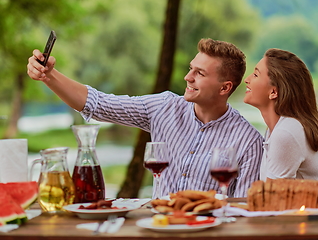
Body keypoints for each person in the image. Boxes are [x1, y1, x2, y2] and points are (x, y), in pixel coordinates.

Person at [27, 38, 264, 198]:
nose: (187, 77)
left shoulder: (247, 141)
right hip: (157, 228)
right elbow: (99, 104)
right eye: (191, 68)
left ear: (225, 88)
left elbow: (240, 209)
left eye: (199, 73)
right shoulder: (164, 107)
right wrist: (49, 76)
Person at [243, 48, 318, 190]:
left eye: (255, 75)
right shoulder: (277, 129)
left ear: (273, 92)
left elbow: (272, 199)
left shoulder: (286, 132)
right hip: (309, 211)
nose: (246, 79)